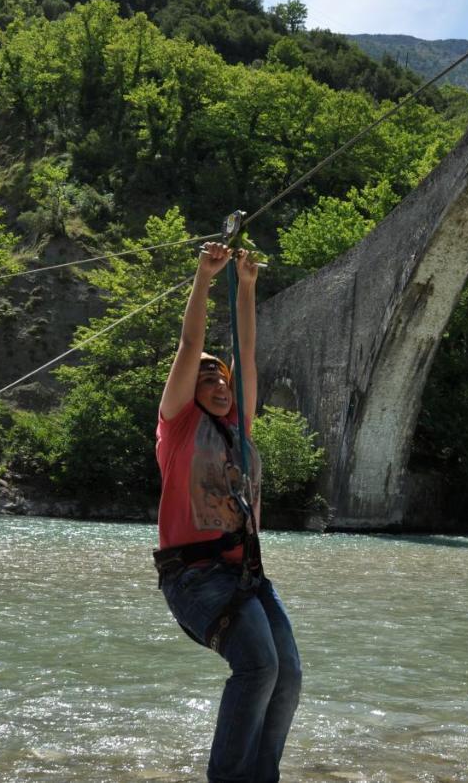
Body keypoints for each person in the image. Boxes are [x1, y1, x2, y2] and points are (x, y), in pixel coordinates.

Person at [153, 241, 301, 783]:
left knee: (287, 677)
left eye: (222, 382)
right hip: (194, 576)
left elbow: (247, 351)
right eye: (206, 380)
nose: (218, 386)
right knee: (258, 667)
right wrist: (206, 276)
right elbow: (192, 342)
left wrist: (246, 284)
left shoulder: (241, 431)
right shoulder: (178, 426)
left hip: (247, 575)